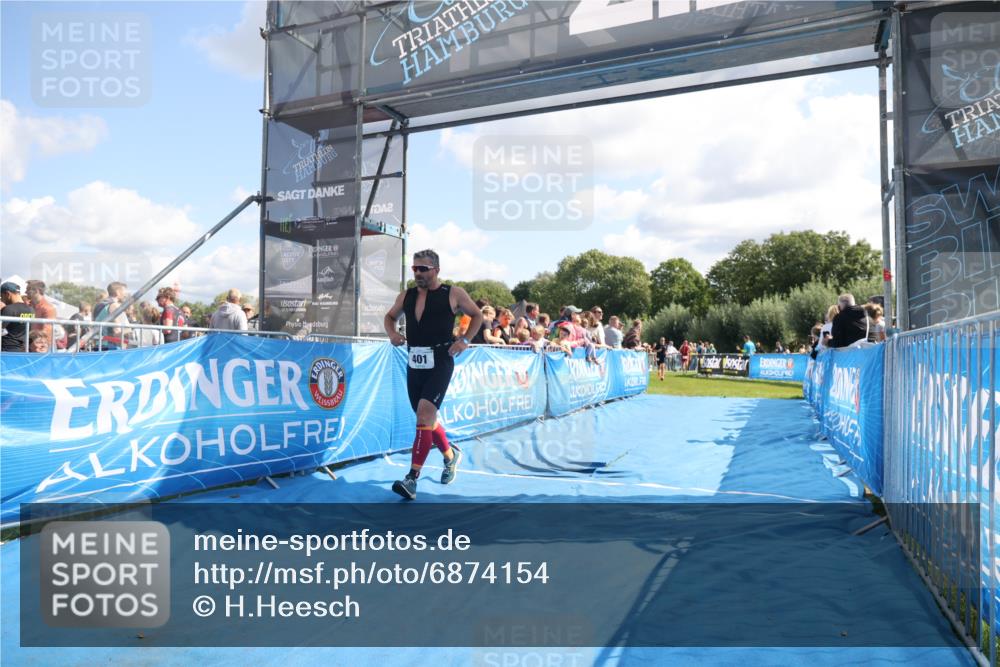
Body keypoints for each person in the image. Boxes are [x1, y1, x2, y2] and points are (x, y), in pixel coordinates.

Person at [384, 249, 482, 501]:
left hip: (440, 360)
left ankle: (411, 479)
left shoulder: (453, 293)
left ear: (436, 270)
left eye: (423, 269)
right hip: (414, 361)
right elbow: (389, 317)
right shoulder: (406, 295)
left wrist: (465, 341)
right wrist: (393, 334)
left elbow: (477, 315)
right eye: (414, 269)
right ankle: (451, 457)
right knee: (426, 419)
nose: (417, 273)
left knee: (425, 413)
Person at [92, 281, 131, 349]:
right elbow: (117, 331)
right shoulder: (114, 305)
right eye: (124, 292)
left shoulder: (97, 306)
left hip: (98, 345)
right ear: (117, 292)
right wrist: (123, 349)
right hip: (110, 346)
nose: (125, 294)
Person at [1, 281, 35, 352]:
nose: (1, 299)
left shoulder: (9, 309)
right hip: (23, 349)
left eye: (2, 296)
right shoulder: (31, 309)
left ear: (7, 294)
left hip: (7, 350)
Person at [25, 280, 56, 347]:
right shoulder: (29, 305)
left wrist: (27, 334)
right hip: (33, 345)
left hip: (44, 347)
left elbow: (46, 332)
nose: (25, 292)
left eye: (28, 289)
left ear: (36, 291)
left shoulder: (48, 308)